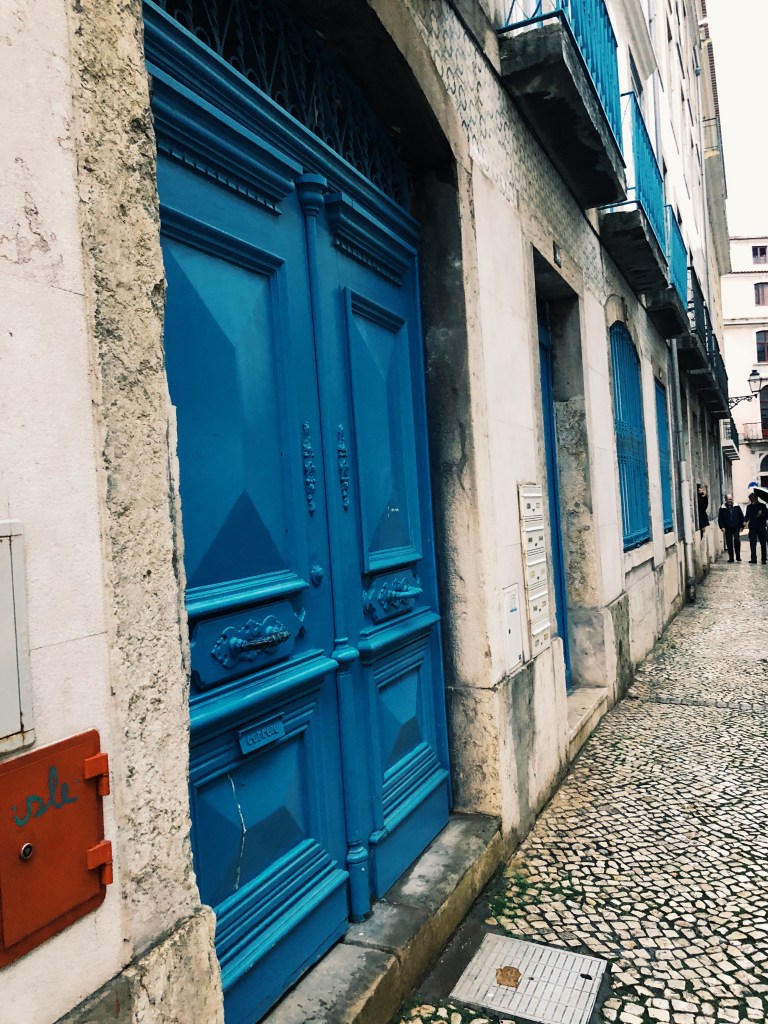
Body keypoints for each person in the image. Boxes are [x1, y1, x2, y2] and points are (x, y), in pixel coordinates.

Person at [718, 493, 745, 562]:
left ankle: (738, 556)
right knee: (729, 543)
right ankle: (731, 558)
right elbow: (720, 518)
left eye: (730, 499)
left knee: (736, 540)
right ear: (725, 500)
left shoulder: (737, 506)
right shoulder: (722, 508)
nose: (729, 500)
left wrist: (742, 526)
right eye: (728, 499)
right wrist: (722, 527)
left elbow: (741, 516)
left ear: (732, 499)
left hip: (736, 527)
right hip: (727, 528)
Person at [744, 492, 768, 564]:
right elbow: (747, 516)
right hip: (752, 527)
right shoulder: (749, 507)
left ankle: (764, 559)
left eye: (753, 498)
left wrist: (762, 514)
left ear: (756, 498)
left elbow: (767, 515)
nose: (752, 500)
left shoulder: (762, 506)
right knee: (752, 544)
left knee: (763, 543)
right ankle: (753, 559)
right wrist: (744, 521)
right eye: (751, 499)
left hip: (761, 527)